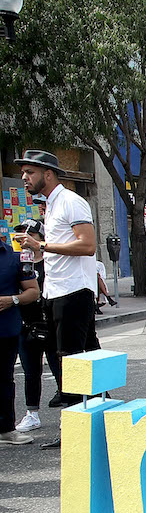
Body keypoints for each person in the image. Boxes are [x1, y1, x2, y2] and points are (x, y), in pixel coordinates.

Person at [13, 151, 100, 423]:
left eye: (30, 172)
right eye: (23, 173)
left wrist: (41, 245)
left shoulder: (71, 202)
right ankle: (99, 420)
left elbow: (88, 245)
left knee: (71, 363)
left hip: (73, 292)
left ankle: (76, 430)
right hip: (57, 291)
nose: (24, 178)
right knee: (81, 359)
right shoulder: (51, 205)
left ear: (48, 174)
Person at [0, 237, 40, 445]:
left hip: (5, 330)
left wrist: (12, 300)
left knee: (4, 380)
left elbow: (33, 291)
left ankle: (6, 429)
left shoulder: (14, 258)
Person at [14, 220, 49, 434]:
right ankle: (32, 412)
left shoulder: (50, 261)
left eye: (30, 234)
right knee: (30, 371)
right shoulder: (18, 262)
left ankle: (69, 408)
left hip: (49, 322)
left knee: (59, 368)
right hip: (26, 324)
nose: (24, 238)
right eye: (20, 234)